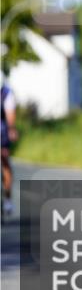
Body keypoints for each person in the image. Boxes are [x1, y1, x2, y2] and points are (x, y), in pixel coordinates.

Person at [1, 73, 18, 219]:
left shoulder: (7, 93)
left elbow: (10, 114)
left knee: (4, 159)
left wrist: (11, 129)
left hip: (2, 130)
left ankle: (7, 199)